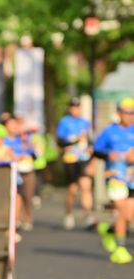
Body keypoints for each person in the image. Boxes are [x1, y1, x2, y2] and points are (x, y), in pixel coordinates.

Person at [94, 97, 134, 264]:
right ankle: (120, 248)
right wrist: (107, 154)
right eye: (126, 112)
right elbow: (96, 150)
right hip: (115, 177)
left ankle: (109, 231)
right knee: (121, 208)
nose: (130, 116)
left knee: (129, 215)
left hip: (132, 177)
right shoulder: (109, 131)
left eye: (132, 113)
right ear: (118, 113)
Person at [56, 97, 94, 230]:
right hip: (70, 159)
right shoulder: (64, 122)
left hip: (83, 158)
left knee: (86, 186)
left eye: (77, 107)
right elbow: (60, 142)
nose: (75, 110)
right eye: (73, 107)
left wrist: (91, 150)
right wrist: (75, 141)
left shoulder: (85, 122)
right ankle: (69, 214)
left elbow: (90, 140)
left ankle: (88, 216)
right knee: (73, 189)